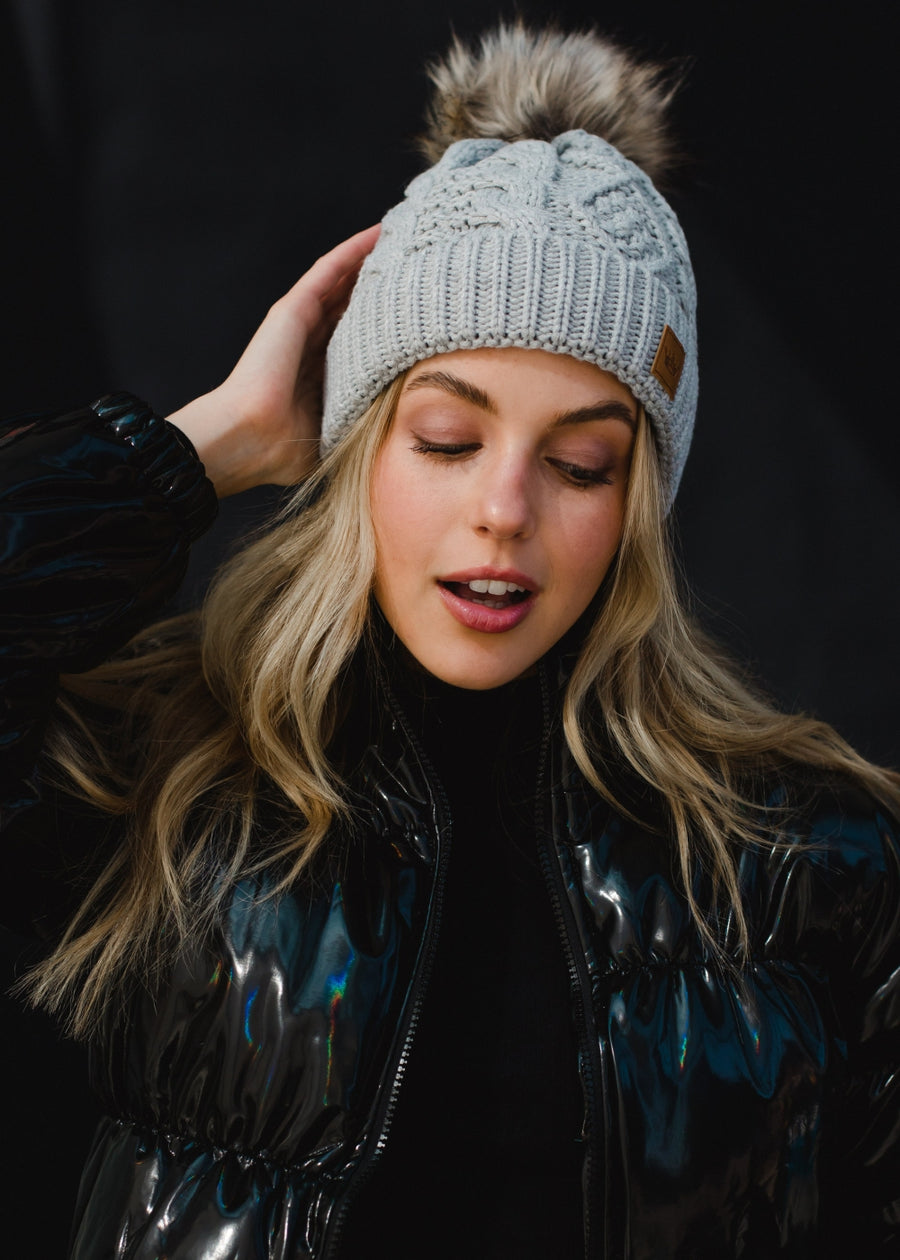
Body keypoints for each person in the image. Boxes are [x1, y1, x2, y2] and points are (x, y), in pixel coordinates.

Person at [2, 22, 899, 1260]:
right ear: (362, 446)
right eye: (446, 439)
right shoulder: (164, 781)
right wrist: (201, 449)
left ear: (637, 505)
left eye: (581, 463)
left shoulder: (820, 864)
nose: (504, 509)